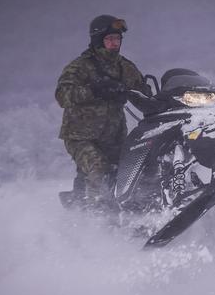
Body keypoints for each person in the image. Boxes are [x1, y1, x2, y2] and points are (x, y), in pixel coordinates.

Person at [55, 14, 152, 210]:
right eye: (109, 39)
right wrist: (95, 90)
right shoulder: (81, 66)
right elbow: (62, 95)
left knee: (133, 169)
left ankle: (138, 211)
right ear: (98, 40)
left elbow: (143, 92)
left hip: (114, 136)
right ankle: (97, 219)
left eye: (117, 39)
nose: (114, 43)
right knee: (98, 167)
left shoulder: (125, 67)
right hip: (80, 136)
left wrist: (157, 100)